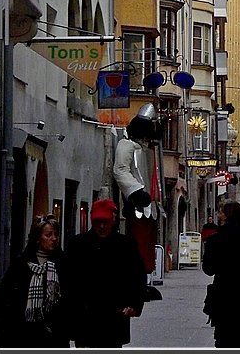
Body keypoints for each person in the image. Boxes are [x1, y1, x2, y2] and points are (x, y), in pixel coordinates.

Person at [65, 198, 147, 348]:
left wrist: (134, 304)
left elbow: (138, 277)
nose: (102, 226)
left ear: (113, 220)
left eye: (106, 221)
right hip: (85, 319)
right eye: (98, 222)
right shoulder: (78, 245)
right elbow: (68, 281)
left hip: (114, 318)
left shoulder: (126, 245)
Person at [0, 214, 69, 348]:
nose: (54, 239)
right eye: (48, 235)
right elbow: (4, 295)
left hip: (53, 336)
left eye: (56, 234)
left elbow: (69, 295)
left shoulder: (62, 263)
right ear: (38, 238)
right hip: (23, 334)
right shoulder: (22, 264)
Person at [113, 102, 163, 299]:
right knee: (138, 243)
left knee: (148, 245)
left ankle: (145, 280)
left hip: (150, 205)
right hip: (137, 205)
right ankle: (137, 282)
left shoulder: (148, 148)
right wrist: (134, 191)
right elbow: (121, 170)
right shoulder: (126, 145)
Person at [202, 200, 240, 348]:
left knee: (223, 338)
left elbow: (208, 269)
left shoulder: (216, 239)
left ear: (226, 215)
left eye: (220, 212)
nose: (218, 215)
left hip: (223, 294)